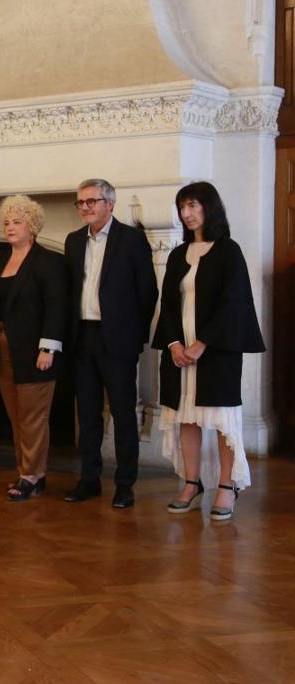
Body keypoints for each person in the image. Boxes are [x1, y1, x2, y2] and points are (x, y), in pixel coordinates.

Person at [152, 182, 265, 520]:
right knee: (187, 417)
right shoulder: (176, 254)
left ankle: (227, 487)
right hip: (180, 351)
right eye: (182, 207)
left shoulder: (229, 251)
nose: (186, 214)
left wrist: (202, 344)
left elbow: (234, 304)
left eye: (192, 205)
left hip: (217, 351)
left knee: (219, 420)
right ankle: (191, 483)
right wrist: (174, 344)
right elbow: (168, 305)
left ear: (208, 207)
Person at [63, 178, 158, 509]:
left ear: (110, 204)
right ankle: (89, 479)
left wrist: (133, 335)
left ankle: (125, 483)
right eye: (82, 202)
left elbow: (148, 293)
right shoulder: (74, 241)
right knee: (87, 414)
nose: (86, 207)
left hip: (118, 339)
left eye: (93, 201)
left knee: (122, 413)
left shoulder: (131, 240)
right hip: (82, 337)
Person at [0, 196, 67, 501]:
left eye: (17, 222)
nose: (10, 227)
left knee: (33, 416)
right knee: (16, 414)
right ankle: (29, 472)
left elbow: (56, 308)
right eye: (6, 222)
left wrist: (49, 349)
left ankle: (31, 474)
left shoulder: (48, 261)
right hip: (3, 347)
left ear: (32, 227)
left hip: (35, 349)